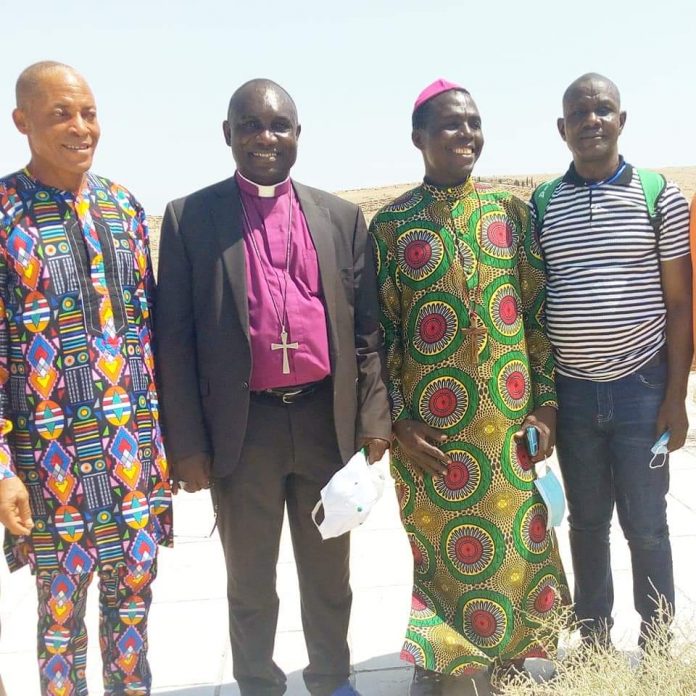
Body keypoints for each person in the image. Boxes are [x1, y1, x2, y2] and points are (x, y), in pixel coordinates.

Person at [154, 78, 391, 696]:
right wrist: (187, 444)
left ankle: (333, 681)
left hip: (323, 423)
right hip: (243, 429)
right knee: (250, 582)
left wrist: (373, 417)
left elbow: (367, 331)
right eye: (250, 125)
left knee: (329, 574)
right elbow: (173, 343)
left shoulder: (340, 217)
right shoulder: (190, 219)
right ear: (227, 134)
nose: (266, 138)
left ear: (298, 136)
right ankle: (259, 684)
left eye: (279, 125)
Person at [369, 79, 569, 695]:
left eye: (474, 123)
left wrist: (546, 405)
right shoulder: (392, 226)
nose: (467, 135)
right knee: (442, 551)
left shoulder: (511, 213)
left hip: (510, 422)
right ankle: (444, 663)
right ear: (418, 138)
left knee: (516, 544)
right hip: (436, 432)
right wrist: (399, 421)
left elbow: (535, 315)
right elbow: (383, 335)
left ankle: (511, 662)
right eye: (451, 125)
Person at [0, 61, 172, 695]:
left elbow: (149, 340)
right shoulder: (3, 216)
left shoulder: (123, 209)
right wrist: (1, 470)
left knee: (133, 615)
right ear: (22, 122)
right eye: (60, 115)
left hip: (132, 464)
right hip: (49, 469)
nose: (81, 128)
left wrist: (165, 450)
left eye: (89, 113)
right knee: (60, 624)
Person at [531, 73, 692, 649]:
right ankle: (594, 641)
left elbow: (679, 304)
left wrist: (675, 398)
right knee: (587, 523)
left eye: (603, 110)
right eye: (579, 112)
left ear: (622, 120)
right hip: (572, 394)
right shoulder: (543, 204)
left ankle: (656, 643)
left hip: (642, 389)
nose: (591, 120)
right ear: (562, 128)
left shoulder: (659, 194)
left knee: (647, 527)